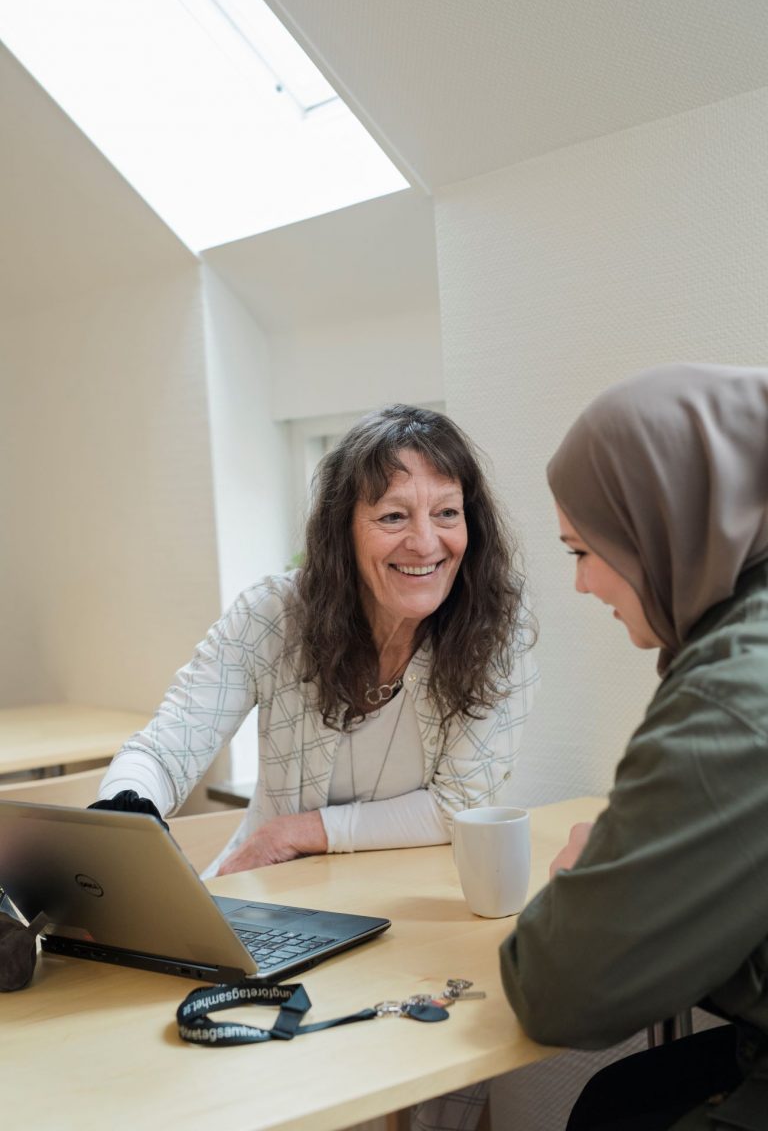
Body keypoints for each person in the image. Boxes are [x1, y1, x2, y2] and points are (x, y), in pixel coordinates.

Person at [97, 403, 538, 1131]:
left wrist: (300, 830)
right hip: (274, 916)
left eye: (447, 513)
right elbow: (171, 738)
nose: (425, 542)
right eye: (393, 516)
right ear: (343, 529)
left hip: (418, 926)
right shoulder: (274, 614)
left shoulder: (501, 628)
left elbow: (460, 801)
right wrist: (124, 815)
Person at [499, 362, 768, 1130]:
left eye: (583, 552)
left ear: (665, 523)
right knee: (618, 1101)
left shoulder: (735, 691)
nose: (582, 587)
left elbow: (557, 991)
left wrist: (596, 869)